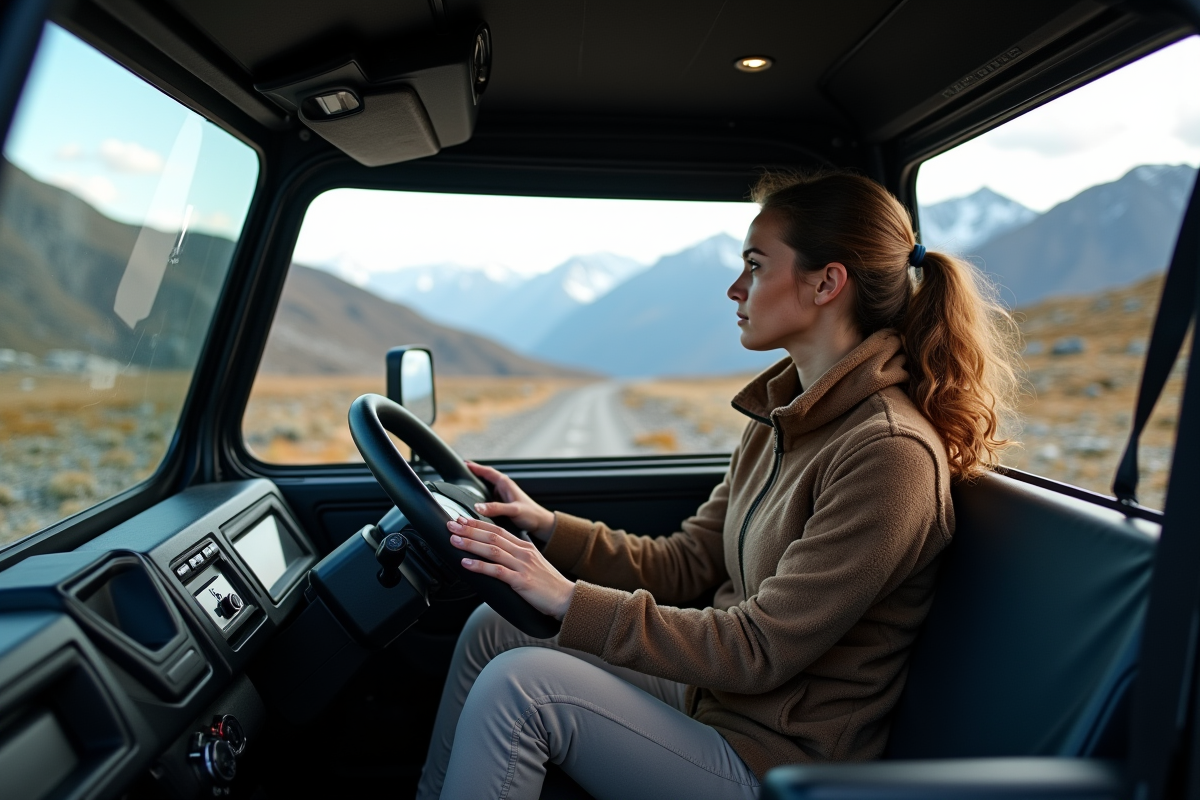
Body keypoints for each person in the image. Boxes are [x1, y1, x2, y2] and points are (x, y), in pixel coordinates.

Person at [415, 170, 1020, 800]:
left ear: (826, 283)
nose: (736, 289)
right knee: (495, 628)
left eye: (755, 266)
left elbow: (761, 648)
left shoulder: (889, 454)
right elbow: (686, 562)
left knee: (522, 687)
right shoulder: (784, 417)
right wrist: (547, 527)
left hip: (777, 758)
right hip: (715, 700)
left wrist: (569, 599)